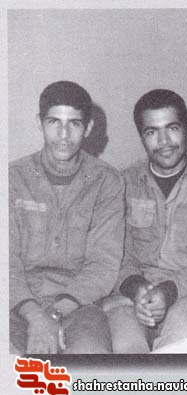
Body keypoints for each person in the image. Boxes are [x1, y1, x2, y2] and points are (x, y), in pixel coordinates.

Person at [103, 89, 187, 352]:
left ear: (186, 129)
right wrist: (135, 287)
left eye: (172, 129)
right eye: (152, 132)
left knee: (179, 348)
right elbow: (114, 252)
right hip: (131, 297)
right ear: (141, 136)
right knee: (125, 351)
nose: (164, 141)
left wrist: (168, 291)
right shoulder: (122, 183)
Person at [9, 80, 124, 354]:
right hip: (15, 303)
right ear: (39, 123)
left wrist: (54, 314)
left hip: (79, 306)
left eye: (74, 123)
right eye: (54, 122)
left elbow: (103, 265)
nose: (63, 134)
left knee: (92, 361)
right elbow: (5, 261)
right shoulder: (12, 178)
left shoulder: (107, 181)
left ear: (89, 127)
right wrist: (36, 317)